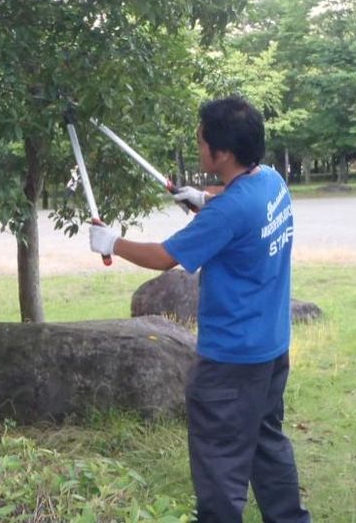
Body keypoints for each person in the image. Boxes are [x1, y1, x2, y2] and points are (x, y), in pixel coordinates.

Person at [89, 96, 310, 523]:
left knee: (219, 466)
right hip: (270, 347)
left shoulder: (229, 211)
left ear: (222, 152)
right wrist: (205, 198)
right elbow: (239, 210)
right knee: (267, 444)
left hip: (230, 362)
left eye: (202, 140)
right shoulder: (270, 182)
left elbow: (164, 256)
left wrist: (111, 242)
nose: (198, 145)